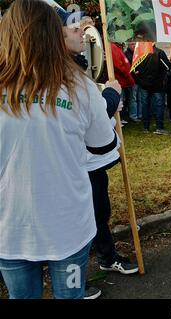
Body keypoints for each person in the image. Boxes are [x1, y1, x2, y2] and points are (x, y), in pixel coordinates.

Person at [0, 0, 117, 299]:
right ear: (54, 34)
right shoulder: (81, 87)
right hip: (68, 226)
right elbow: (103, 144)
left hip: (10, 230)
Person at [56, 7, 139, 299]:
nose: (82, 32)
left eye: (82, 26)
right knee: (77, 224)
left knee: (99, 212)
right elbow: (84, 119)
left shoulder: (77, 65)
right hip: (73, 165)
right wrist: (109, 96)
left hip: (91, 162)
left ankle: (105, 257)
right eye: (74, 27)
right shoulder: (58, 75)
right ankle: (75, 280)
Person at [134, 43, 171, 135]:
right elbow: (168, 66)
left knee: (145, 105)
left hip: (144, 84)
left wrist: (140, 78)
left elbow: (135, 69)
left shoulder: (140, 53)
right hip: (157, 85)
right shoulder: (159, 52)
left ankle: (146, 127)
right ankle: (159, 127)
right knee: (159, 105)